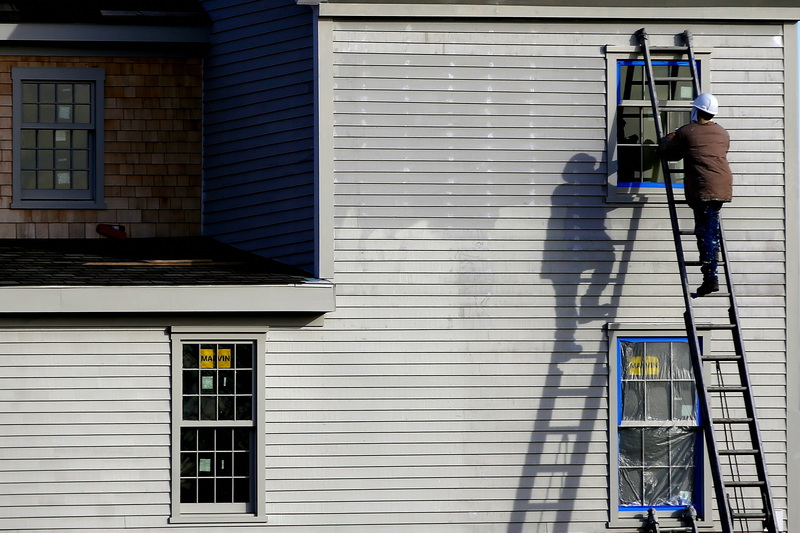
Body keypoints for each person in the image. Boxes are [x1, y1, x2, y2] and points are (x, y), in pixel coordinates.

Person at [659, 93, 733, 296]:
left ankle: (710, 277)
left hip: (704, 187)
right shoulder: (722, 133)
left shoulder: (686, 132)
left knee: (704, 232)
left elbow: (669, 154)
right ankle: (712, 267)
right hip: (722, 185)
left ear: (696, 110)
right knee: (711, 229)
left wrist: (667, 139)